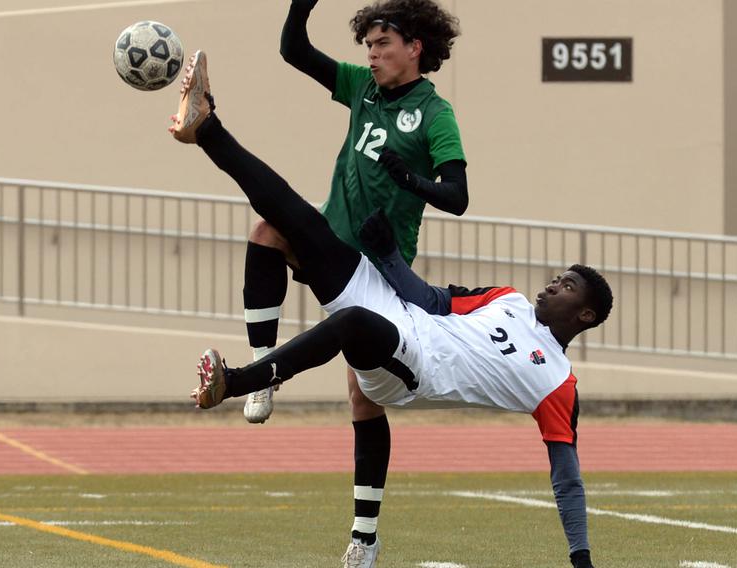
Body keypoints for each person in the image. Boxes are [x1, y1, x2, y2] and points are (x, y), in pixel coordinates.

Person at [170, 51, 610, 568]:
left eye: (570, 285)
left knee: (353, 326)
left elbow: (568, 476)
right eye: (560, 276)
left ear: (585, 315)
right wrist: (387, 255)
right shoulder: (508, 300)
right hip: (402, 310)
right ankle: (207, 126)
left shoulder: (558, 381)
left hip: (413, 370)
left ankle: (239, 381)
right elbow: (430, 300)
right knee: (289, 220)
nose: (556, 282)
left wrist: (581, 560)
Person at [239, 0, 468, 426]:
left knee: (363, 398)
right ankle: (261, 372)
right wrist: (301, 6)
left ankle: (368, 496)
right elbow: (294, 50)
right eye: (368, 45)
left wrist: (412, 181)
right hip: (330, 237)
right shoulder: (362, 85)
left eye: (383, 43)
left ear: (415, 47)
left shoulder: (436, 115)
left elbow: (458, 197)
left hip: (378, 268)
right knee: (267, 232)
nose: (372, 54)